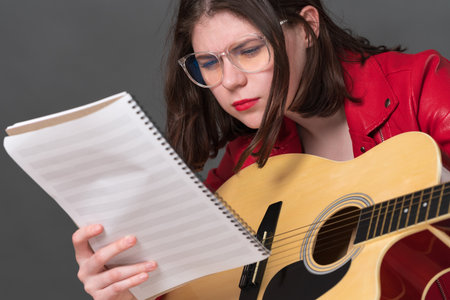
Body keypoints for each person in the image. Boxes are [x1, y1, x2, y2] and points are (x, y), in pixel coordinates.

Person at [72, 0, 450, 299]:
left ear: (307, 28)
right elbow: (194, 282)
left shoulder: (422, 90)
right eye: (208, 63)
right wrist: (131, 291)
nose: (231, 81)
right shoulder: (247, 165)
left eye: (250, 50)